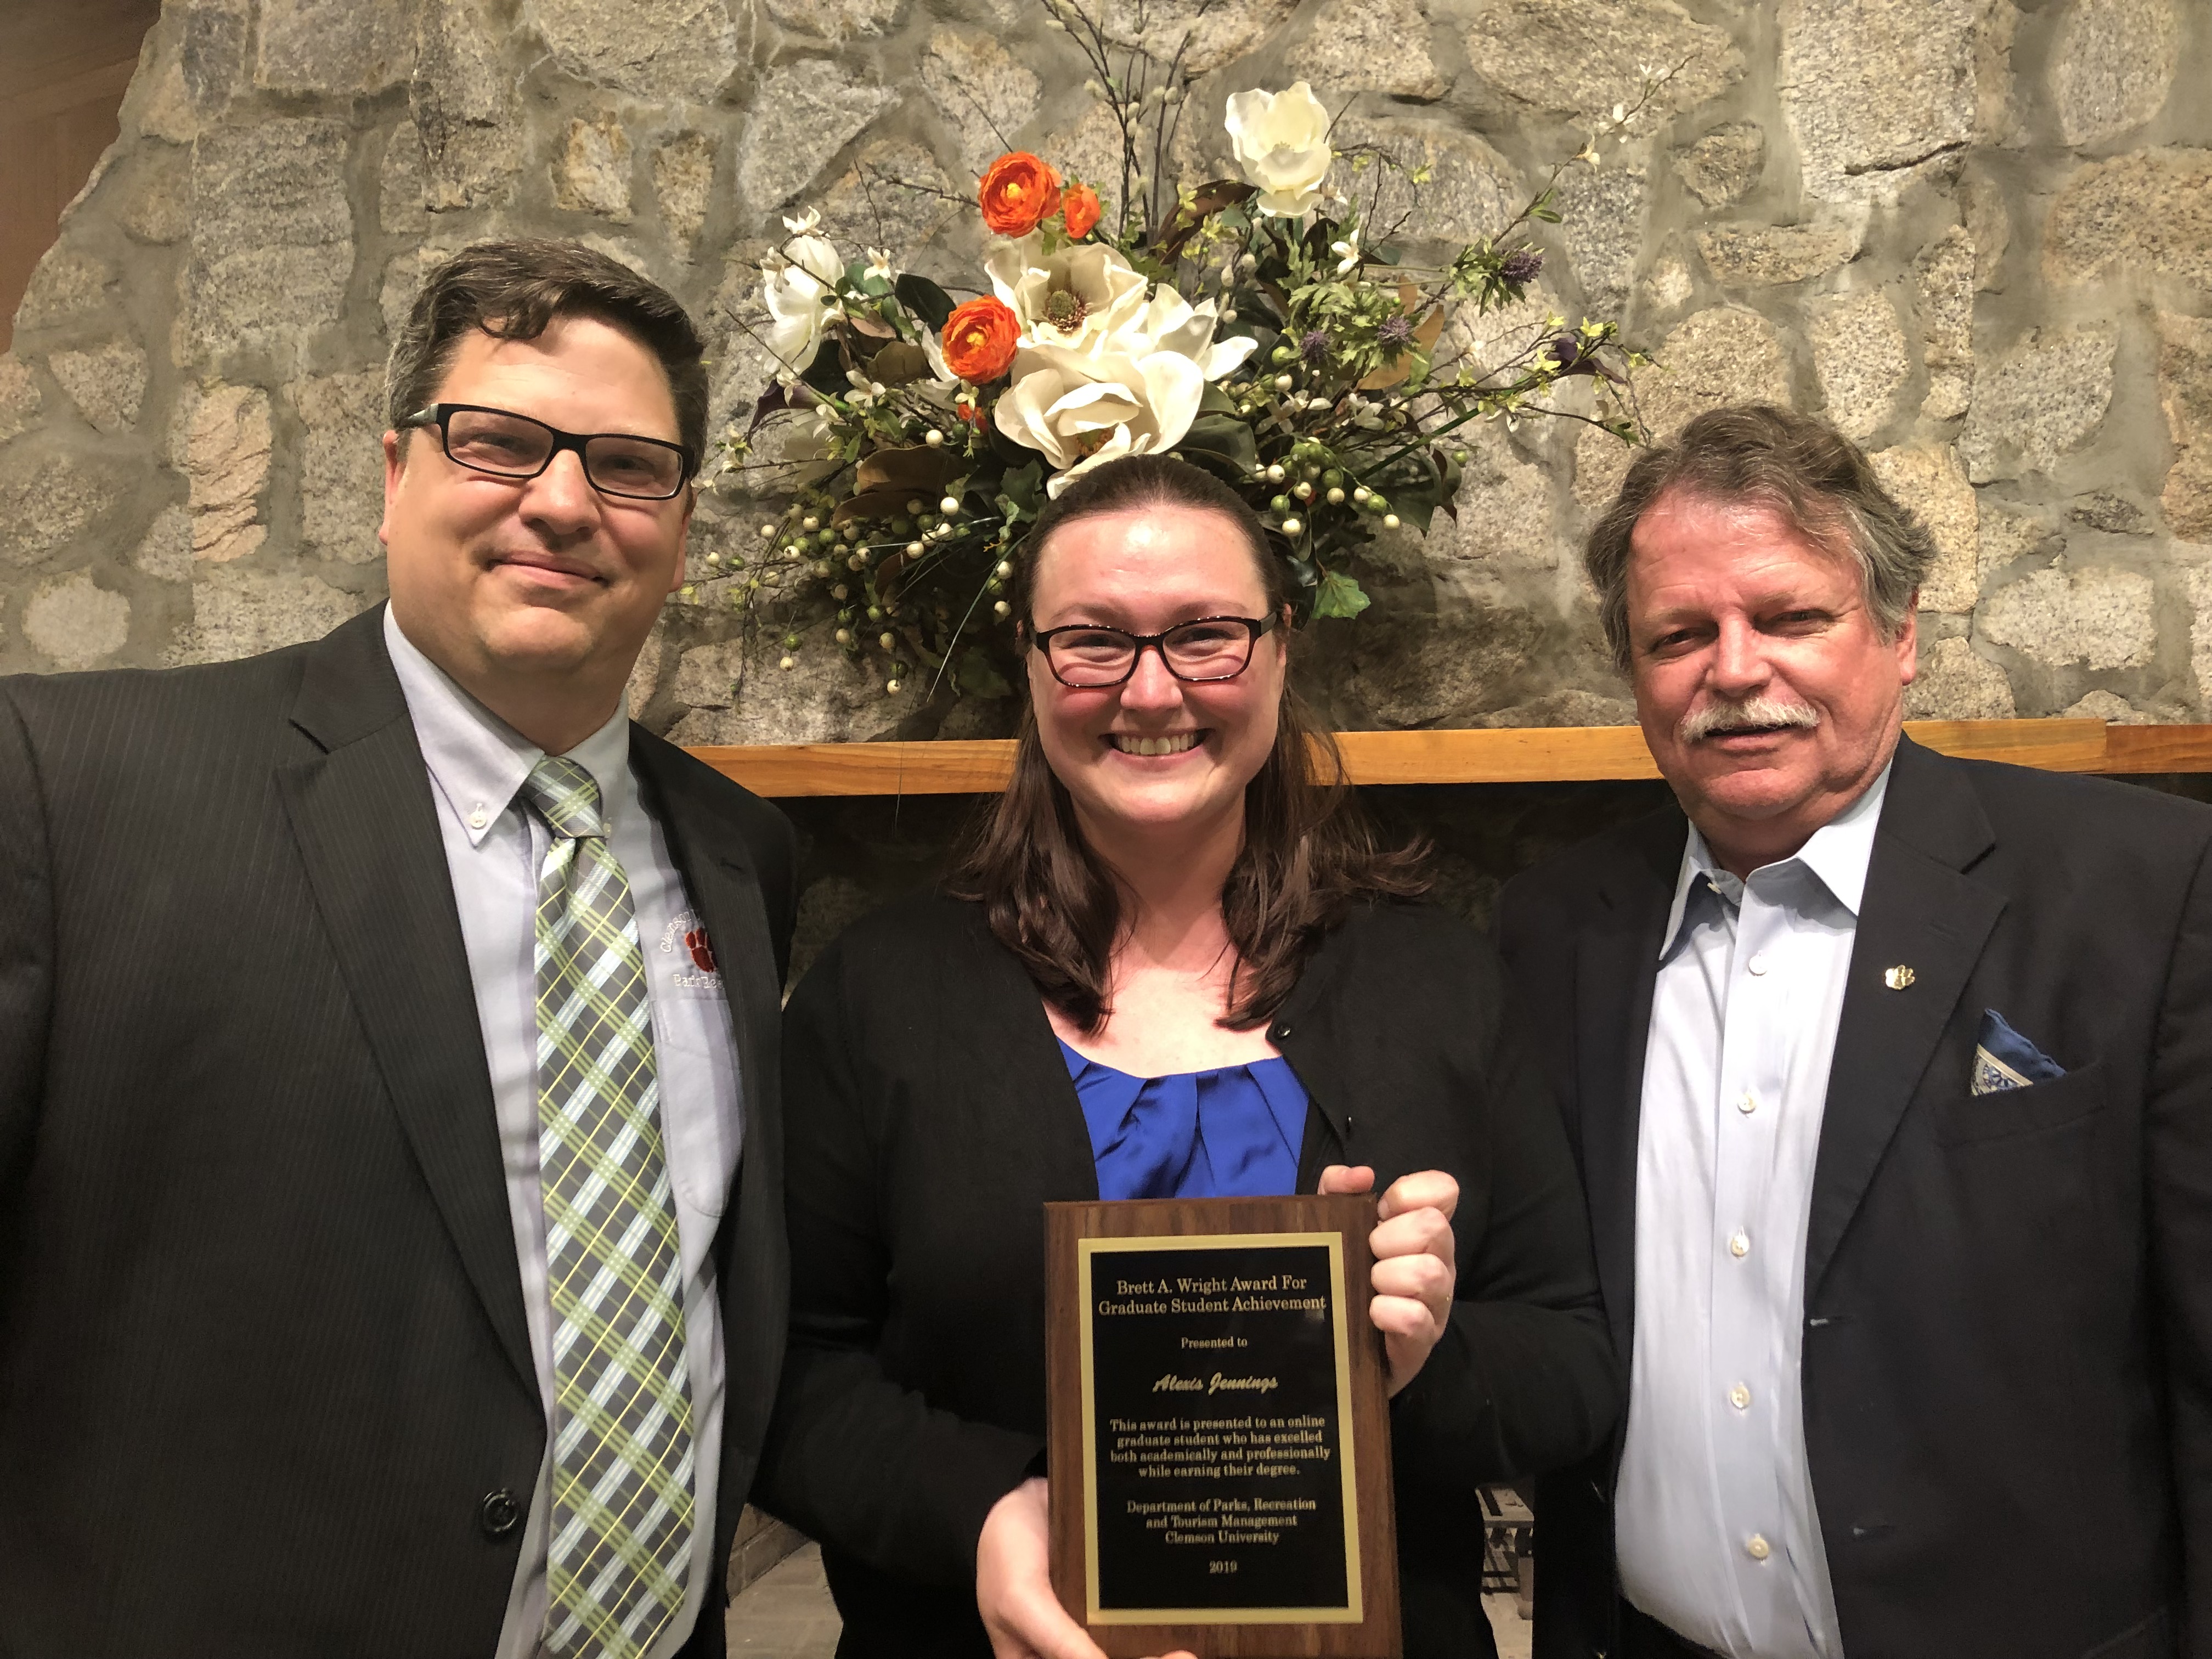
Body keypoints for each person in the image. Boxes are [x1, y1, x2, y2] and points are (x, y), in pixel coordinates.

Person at [0, 240, 797, 1658]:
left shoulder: (746, 862)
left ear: (678, 523)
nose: (562, 503)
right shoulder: (72, 790)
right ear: (390, 475)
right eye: (498, 443)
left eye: (626, 466)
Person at [753, 453, 1621, 1659]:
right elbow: (787, 1371)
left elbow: (1574, 1356)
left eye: (1207, 635)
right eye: (1094, 640)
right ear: (1032, 659)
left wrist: (1426, 1364)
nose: (1152, 692)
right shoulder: (881, 995)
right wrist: (984, 1514)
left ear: (1279, 653)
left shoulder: (1439, 982)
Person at [1497, 404, 2212, 1659]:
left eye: (1789, 617)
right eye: (1679, 635)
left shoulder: (2144, 894)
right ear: (1634, 673)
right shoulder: (1554, 930)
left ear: (1900, 633)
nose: (1732, 668)